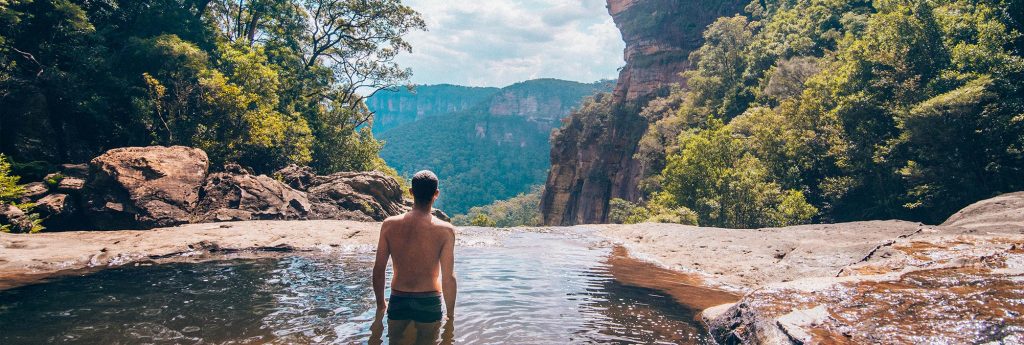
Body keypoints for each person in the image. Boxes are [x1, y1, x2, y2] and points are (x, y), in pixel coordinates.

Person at [372, 170, 457, 344]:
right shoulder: (445, 230)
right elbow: (448, 277)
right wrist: (450, 315)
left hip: (398, 299)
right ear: (436, 194)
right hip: (429, 301)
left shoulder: (389, 225)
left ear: (410, 192)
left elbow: (378, 269)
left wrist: (381, 304)